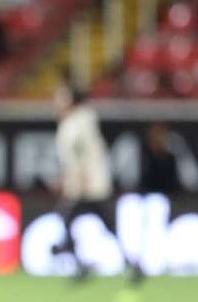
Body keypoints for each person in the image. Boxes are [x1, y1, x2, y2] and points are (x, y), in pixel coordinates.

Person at [50, 78, 138, 282]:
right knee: (97, 223)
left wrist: (80, 178)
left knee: (68, 220)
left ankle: (79, 262)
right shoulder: (79, 120)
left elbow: (82, 152)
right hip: (89, 183)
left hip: (88, 185)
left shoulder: (76, 122)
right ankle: (126, 264)